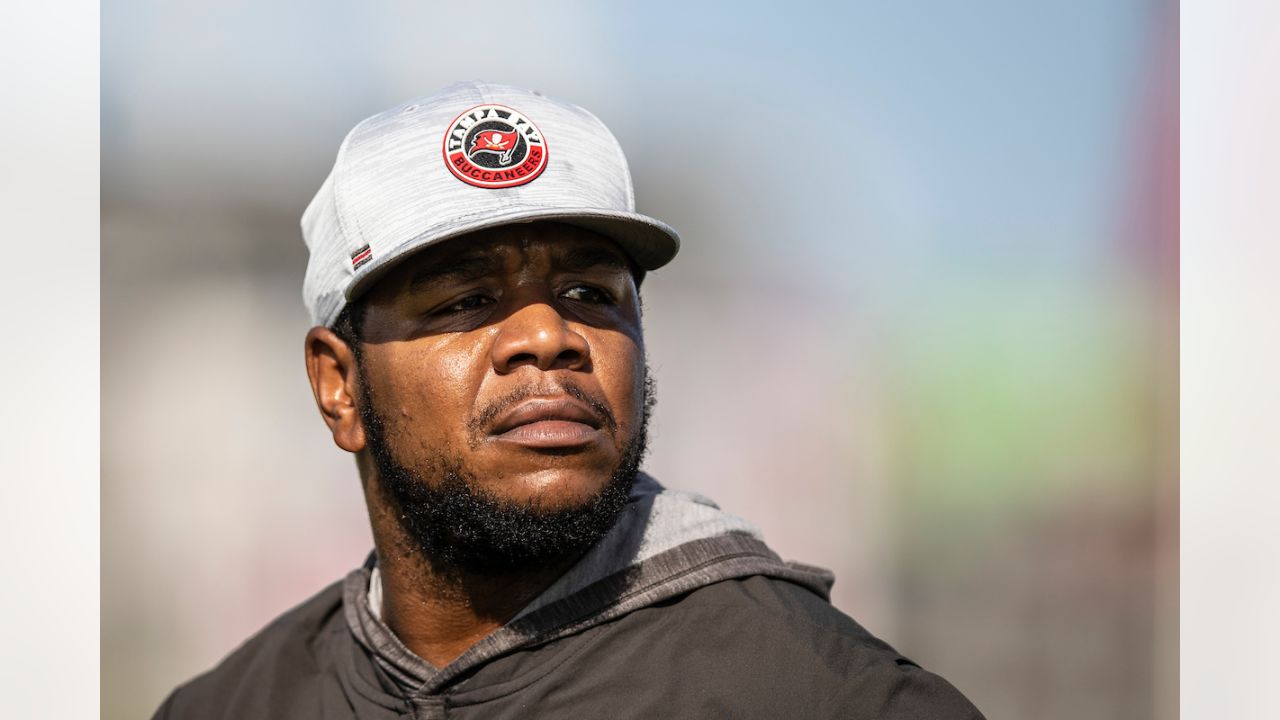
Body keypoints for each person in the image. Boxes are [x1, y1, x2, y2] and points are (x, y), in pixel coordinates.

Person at [152, 81, 984, 719]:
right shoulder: (236, 705)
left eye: (590, 292)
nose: (547, 336)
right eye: (463, 301)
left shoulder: (827, 698)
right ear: (339, 387)